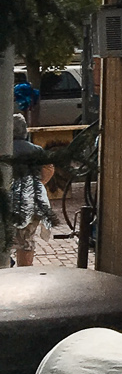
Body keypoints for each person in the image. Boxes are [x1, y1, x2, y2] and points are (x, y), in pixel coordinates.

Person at [7, 114, 55, 266]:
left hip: (9, 202)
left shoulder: (4, 149)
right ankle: (24, 273)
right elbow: (49, 168)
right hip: (34, 200)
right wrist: (39, 183)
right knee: (27, 240)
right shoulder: (37, 150)